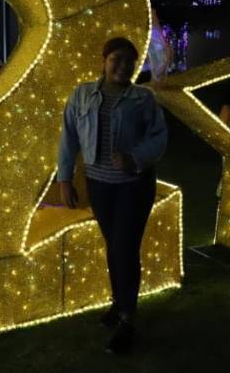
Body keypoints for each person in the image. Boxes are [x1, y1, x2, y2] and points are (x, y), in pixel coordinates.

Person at [57, 37, 168, 355]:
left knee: (124, 248)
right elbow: (68, 137)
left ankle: (127, 320)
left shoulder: (142, 99)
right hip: (99, 186)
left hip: (134, 186)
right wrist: (65, 179)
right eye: (117, 59)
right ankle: (118, 303)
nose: (123, 66)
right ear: (104, 60)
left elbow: (159, 137)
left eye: (130, 62)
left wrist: (134, 157)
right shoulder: (82, 95)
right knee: (114, 246)